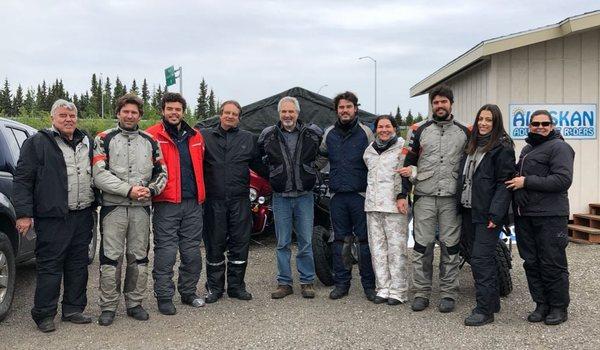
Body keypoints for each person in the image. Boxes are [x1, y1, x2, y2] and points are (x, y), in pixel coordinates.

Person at [13, 99, 96, 332]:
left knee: (78, 265)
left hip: (82, 214)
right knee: (50, 266)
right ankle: (44, 314)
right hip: (52, 217)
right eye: (63, 116)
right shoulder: (37, 143)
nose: (68, 120)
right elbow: (22, 180)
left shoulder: (86, 141)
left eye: (72, 116)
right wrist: (23, 214)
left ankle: (73, 309)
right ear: (53, 118)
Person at [93, 93, 167, 326]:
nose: (129, 115)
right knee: (110, 258)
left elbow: (162, 172)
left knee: (139, 257)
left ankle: (135, 303)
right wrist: (128, 190)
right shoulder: (103, 138)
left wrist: (152, 190)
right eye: (125, 111)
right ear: (118, 113)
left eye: (134, 112)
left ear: (140, 116)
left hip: (141, 209)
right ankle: (108, 306)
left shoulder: (150, 141)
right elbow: (99, 174)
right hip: (113, 208)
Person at [398, 85, 469, 313]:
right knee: (421, 247)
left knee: (451, 248)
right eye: (436, 102)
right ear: (432, 105)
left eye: (444, 102)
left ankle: (448, 293)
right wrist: (402, 193)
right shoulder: (419, 130)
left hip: (451, 199)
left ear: (451, 104)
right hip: (425, 197)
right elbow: (407, 164)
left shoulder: (463, 132)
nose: (440, 106)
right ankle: (421, 292)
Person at [505, 109, 574, 326]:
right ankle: (541, 303)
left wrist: (526, 182)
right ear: (529, 126)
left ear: (552, 126)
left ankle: (558, 307)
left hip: (551, 216)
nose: (540, 127)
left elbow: (562, 180)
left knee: (552, 262)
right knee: (532, 263)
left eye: (545, 123)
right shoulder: (527, 148)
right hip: (526, 216)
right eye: (536, 123)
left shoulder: (560, 147)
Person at [200, 100, 266, 303]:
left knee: (240, 244)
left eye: (234, 114)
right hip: (213, 201)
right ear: (220, 115)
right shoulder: (205, 137)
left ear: (239, 117)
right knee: (214, 244)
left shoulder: (248, 139)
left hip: (240, 201)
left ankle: (237, 287)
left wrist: (283, 180)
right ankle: (214, 288)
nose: (230, 116)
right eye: (227, 113)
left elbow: (262, 168)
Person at [146, 93, 206, 315]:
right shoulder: (152, 135)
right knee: (166, 252)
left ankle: (188, 292)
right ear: (162, 110)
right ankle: (164, 296)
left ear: (183, 112)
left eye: (178, 109)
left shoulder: (196, 136)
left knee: (192, 252)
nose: (174, 113)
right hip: (166, 203)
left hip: (193, 203)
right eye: (169, 109)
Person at [258, 96, 322, 299]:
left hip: (304, 195)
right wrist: (272, 174)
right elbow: (258, 158)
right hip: (281, 196)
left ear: (297, 113)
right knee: (282, 242)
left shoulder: (312, 133)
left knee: (305, 241)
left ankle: (307, 281)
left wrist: (314, 170)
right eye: (284, 112)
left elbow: (323, 154)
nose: (287, 115)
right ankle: (284, 283)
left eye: (291, 111)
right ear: (279, 114)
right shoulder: (268, 135)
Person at [457, 104, 515, 326]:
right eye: (481, 118)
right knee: (479, 257)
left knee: (481, 260)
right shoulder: (472, 144)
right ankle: (493, 302)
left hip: (488, 214)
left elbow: (504, 184)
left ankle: (484, 310)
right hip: (468, 210)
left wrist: (496, 213)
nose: (483, 123)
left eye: (489, 120)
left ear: (496, 122)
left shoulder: (502, 147)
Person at [316, 91, 376, 301]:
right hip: (337, 196)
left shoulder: (366, 132)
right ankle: (342, 284)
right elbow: (320, 159)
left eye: (348, 107)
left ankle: (369, 285)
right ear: (337, 110)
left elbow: (376, 162)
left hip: (360, 194)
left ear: (355, 109)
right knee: (340, 241)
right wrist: (306, 172)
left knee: (364, 242)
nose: (345, 110)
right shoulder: (329, 133)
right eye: (341, 107)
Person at [363, 115, 410, 305]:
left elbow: (409, 173)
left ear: (394, 128)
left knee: (396, 249)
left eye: (388, 126)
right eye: (380, 126)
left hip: (394, 206)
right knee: (377, 250)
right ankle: (383, 288)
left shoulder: (402, 147)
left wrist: (403, 196)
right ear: (375, 129)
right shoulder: (369, 151)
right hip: (373, 206)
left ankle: (398, 291)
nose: (384, 130)